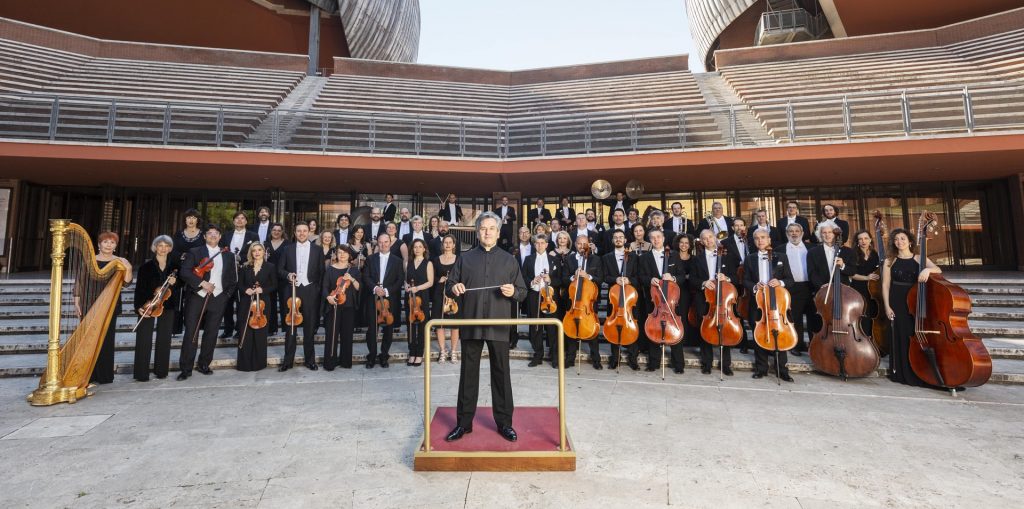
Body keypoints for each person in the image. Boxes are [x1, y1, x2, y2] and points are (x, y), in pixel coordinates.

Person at [443, 212, 527, 443]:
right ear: (477, 232)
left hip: (499, 325)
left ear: (499, 233)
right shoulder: (465, 258)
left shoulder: (509, 260)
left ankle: (504, 423)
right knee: (468, 374)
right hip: (471, 323)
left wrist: (514, 292)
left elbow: (522, 292)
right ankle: (463, 423)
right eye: (483, 228)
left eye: (492, 228)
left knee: (501, 373)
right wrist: (455, 287)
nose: (487, 232)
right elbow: (449, 287)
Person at [882, 228, 941, 387]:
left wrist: (928, 270)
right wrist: (887, 306)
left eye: (902, 238)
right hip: (897, 301)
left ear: (910, 241)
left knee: (913, 335)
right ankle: (901, 373)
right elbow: (885, 285)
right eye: (896, 240)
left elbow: (939, 270)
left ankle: (918, 370)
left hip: (915, 300)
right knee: (900, 335)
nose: (899, 242)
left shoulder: (919, 258)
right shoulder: (889, 261)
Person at [179, 224, 236, 380]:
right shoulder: (195, 252)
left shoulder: (228, 255)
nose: (213, 236)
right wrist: (202, 283)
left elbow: (232, 279)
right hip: (197, 296)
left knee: (211, 332)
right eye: (209, 233)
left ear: (220, 237)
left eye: (216, 233)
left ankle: (204, 363)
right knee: (191, 331)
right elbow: (184, 272)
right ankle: (186, 368)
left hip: (218, 298)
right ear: (204, 236)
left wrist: (225, 296)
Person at [743, 229, 795, 382]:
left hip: (777, 305)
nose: (760, 241)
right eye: (757, 238)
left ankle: (782, 369)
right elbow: (745, 280)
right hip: (758, 303)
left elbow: (790, 280)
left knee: (780, 333)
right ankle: (761, 368)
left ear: (769, 240)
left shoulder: (781, 257)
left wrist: (780, 282)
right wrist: (754, 286)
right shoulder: (750, 259)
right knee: (758, 334)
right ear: (754, 241)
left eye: (763, 237)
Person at [81, 231, 133, 384]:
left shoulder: (120, 262)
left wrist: (128, 269)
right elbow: (81, 280)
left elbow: (127, 283)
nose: (108, 245)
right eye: (105, 242)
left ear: (115, 246)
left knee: (107, 340)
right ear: (99, 244)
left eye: (112, 242)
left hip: (110, 304)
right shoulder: (90, 260)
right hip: (90, 303)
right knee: (88, 340)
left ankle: (105, 375)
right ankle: (89, 374)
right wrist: (77, 299)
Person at [277, 221, 324, 372]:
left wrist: (316, 289)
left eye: (305, 231)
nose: (302, 233)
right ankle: (288, 361)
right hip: (292, 290)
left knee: (310, 327)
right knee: (291, 327)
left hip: (310, 290)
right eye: (299, 231)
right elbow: (280, 269)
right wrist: (288, 274)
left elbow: (321, 272)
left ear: (309, 232)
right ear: (295, 233)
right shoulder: (287, 249)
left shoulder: (318, 250)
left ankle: (310, 360)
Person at [133, 235, 178, 381]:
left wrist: (175, 282)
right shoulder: (145, 267)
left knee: (164, 339)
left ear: (170, 248)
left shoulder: (175, 267)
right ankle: (141, 374)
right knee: (143, 339)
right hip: (148, 304)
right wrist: (139, 307)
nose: (163, 248)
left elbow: (182, 285)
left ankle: (161, 371)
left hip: (167, 305)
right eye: (160, 245)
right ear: (155, 247)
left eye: (166, 246)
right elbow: (139, 289)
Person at [692, 229, 736, 375]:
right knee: (705, 328)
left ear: (715, 237)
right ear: (701, 242)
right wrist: (704, 283)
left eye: (710, 237)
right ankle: (707, 363)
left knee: (725, 328)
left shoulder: (728, 256)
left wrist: (727, 278)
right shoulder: (697, 259)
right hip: (704, 298)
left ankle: (726, 364)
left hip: (724, 298)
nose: (708, 240)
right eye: (704, 239)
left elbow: (736, 277)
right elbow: (692, 280)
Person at [364, 232, 404, 368]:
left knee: (388, 329)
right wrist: (375, 288)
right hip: (372, 298)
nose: (383, 244)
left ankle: (384, 356)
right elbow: (366, 277)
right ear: (378, 243)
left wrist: (386, 291)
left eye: (386, 242)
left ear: (390, 242)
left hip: (390, 299)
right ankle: (372, 356)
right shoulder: (371, 259)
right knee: (371, 329)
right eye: (380, 242)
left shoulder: (397, 261)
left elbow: (399, 280)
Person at [564, 234, 603, 369]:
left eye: (584, 244)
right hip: (574, 302)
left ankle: (596, 359)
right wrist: (572, 277)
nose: (582, 247)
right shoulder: (569, 259)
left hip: (589, 303)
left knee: (592, 331)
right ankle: (570, 359)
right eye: (579, 244)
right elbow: (564, 279)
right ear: (575, 245)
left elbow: (600, 279)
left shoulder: (596, 260)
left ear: (589, 245)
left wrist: (588, 276)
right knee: (571, 330)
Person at [601, 229, 639, 370]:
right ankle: (615, 358)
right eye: (615, 237)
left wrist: (629, 280)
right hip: (615, 298)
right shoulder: (606, 257)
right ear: (612, 240)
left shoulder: (634, 257)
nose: (618, 239)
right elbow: (604, 276)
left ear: (625, 240)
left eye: (620, 237)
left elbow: (638, 277)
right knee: (613, 326)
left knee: (632, 326)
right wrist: (615, 279)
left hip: (629, 298)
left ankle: (633, 358)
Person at [523, 233, 563, 367]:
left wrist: (550, 280)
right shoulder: (528, 259)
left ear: (546, 245)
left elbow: (560, 280)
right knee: (535, 327)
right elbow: (523, 278)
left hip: (549, 297)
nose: (540, 245)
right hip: (534, 296)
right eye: (537, 243)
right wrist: (532, 281)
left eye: (542, 243)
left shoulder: (555, 260)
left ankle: (555, 357)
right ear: (534, 245)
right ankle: (537, 355)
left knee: (552, 327)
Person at [237, 242, 277, 372]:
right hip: (246, 302)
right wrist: (245, 290)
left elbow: (274, 285)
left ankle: (259, 363)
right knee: (246, 332)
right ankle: (245, 364)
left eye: (259, 250)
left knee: (260, 333)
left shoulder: (270, 267)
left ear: (263, 251)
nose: (257, 252)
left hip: (263, 304)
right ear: (251, 253)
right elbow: (240, 284)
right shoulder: (245, 267)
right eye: (254, 250)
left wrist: (263, 290)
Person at [220, 211, 258, 339]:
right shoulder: (226, 235)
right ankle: (228, 329)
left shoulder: (253, 235)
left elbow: (255, 252)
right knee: (227, 302)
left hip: (244, 273)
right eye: (237, 218)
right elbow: (221, 251)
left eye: (242, 218)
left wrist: (239, 259)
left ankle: (240, 329)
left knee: (243, 302)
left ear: (246, 221)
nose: (240, 220)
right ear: (233, 221)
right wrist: (231, 259)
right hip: (228, 274)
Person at [322, 246, 361, 370]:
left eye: (345, 253)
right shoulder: (330, 270)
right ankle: (330, 362)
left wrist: (352, 279)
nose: (342, 255)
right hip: (333, 305)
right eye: (340, 252)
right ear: (336, 255)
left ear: (349, 255)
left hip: (348, 306)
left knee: (347, 334)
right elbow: (324, 287)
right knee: (331, 334)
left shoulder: (354, 270)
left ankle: (345, 361)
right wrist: (328, 297)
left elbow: (359, 287)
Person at [780, 223, 815, 355]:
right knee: (796, 318)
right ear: (786, 234)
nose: (794, 233)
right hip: (792, 287)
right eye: (791, 231)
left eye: (796, 231)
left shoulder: (811, 247)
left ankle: (813, 345)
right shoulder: (781, 249)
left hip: (810, 286)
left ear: (802, 233)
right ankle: (797, 345)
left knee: (813, 318)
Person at [667, 233, 696, 373]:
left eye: (687, 243)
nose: (684, 245)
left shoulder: (694, 259)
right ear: (678, 243)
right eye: (681, 242)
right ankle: (677, 342)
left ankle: (686, 340)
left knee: (686, 317)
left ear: (690, 245)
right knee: (677, 318)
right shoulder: (672, 256)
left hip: (688, 291)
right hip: (674, 291)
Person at [172, 208, 204, 334]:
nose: (191, 220)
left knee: (196, 299)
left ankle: (195, 327)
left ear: (197, 220)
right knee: (178, 298)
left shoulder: (203, 235)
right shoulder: (178, 234)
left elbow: (205, 251)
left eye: (194, 218)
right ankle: (176, 328)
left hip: (198, 271)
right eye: (189, 217)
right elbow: (173, 251)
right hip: (180, 269)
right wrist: (182, 256)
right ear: (185, 220)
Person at [405, 239, 434, 366]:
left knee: (422, 326)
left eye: (419, 246)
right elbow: (405, 280)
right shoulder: (408, 263)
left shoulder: (428, 263)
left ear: (424, 249)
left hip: (422, 296)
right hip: (411, 298)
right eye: (415, 247)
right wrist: (406, 286)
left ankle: (419, 353)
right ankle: (412, 352)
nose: (417, 249)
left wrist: (417, 288)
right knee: (410, 326)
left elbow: (430, 282)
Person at [432, 235, 461, 364]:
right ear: (442, 245)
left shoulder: (459, 259)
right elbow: (431, 277)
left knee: (455, 325)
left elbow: (463, 276)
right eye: (446, 242)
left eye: (450, 243)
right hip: (439, 293)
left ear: (454, 245)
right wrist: (439, 279)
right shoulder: (435, 260)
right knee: (440, 324)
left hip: (454, 295)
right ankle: (442, 351)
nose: (448, 245)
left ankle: (454, 351)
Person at [851, 230, 881, 339]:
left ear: (870, 240)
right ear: (857, 241)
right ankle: (861, 339)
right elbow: (851, 274)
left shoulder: (875, 254)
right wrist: (867, 278)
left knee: (872, 313)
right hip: (858, 288)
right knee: (862, 314)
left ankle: (873, 339)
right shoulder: (853, 254)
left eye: (866, 238)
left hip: (873, 289)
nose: (863, 241)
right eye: (860, 239)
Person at [265, 222, 287, 336]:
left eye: (279, 230)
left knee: (284, 303)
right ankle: (271, 328)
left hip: (283, 278)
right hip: (269, 278)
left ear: (282, 232)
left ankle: (285, 328)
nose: (276, 232)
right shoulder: (265, 244)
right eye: (274, 230)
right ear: (271, 231)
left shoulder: (288, 244)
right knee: (271, 304)